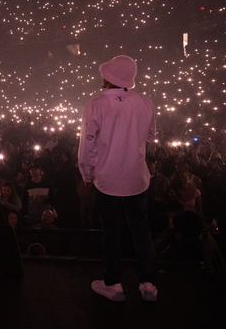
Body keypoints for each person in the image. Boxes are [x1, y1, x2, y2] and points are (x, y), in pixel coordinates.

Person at [78, 55, 158, 302]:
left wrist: (86, 172)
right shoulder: (145, 102)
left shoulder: (96, 104)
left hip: (108, 179)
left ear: (109, 77)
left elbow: (86, 146)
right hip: (136, 178)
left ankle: (113, 284)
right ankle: (148, 284)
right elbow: (152, 136)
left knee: (111, 232)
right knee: (141, 231)